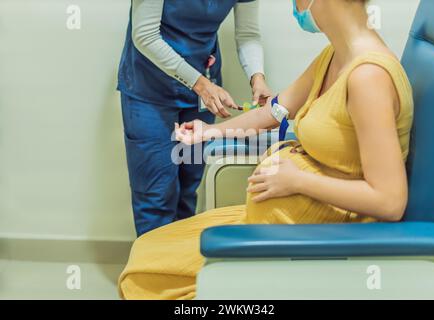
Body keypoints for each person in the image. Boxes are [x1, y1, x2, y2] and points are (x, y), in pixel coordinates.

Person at [118, 0, 414, 299]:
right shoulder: (334, 56)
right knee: (147, 249)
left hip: (312, 235)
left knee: (144, 281)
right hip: (274, 223)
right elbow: (275, 111)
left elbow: (390, 202)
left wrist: (298, 180)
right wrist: (210, 131)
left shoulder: (368, 78)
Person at [118, 0, 272, 236]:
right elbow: (145, 35)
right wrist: (200, 84)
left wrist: (257, 77)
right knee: (155, 193)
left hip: (202, 87)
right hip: (149, 88)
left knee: (189, 185)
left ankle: (180, 265)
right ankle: (153, 268)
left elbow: (248, 33)